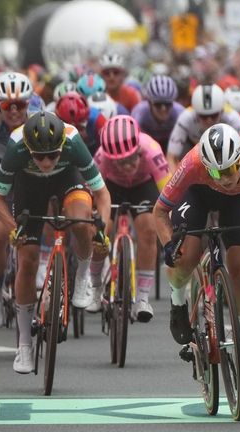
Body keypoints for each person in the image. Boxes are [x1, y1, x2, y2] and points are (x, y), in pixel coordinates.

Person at [153, 123, 240, 390]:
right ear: (205, 164)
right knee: (185, 257)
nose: (224, 178)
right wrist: (168, 245)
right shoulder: (192, 163)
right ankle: (178, 302)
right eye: (215, 171)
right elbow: (159, 212)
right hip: (197, 196)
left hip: (239, 200)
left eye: (230, 170)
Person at [0, 111, 111, 373]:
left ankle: (82, 278)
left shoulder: (73, 141)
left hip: (67, 179)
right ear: (29, 150)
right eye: (39, 156)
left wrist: (101, 229)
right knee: (28, 258)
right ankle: (24, 345)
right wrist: (13, 229)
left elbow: (102, 194)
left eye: (52, 155)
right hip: (28, 186)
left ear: (61, 148)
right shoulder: (16, 146)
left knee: (81, 224)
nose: (46, 161)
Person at [0, 71, 43, 329]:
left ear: (29, 103)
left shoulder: (38, 114)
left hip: (27, 164)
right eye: (7, 106)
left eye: (20, 105)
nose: (13, 111)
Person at [88, 115, 170, 318]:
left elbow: (169, 193)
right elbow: (92, 196)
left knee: (149, 230)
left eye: (131, 158)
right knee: (100, 231)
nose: (126, 166)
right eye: (120, 162)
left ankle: (142, 298)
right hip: (111, 187)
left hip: (143, 185)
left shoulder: (151, 149)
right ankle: (96, 286)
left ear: (138, 149)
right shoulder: (101, 157)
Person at [166, 84, 240, 172]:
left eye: (214, 115)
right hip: (193, 148)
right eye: (203, 116)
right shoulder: (186, 117)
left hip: (222, 152)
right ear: (195, 112)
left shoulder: (233, 119)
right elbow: (172, 157)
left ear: (221, 111)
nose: (209, 121)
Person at [130, 74, 185, 153]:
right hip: (147, 145)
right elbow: (135, 143)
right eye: (158, 104)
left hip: (172, 145)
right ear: (149, 103)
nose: (163, 108)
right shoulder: (139, 113)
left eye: (168, 104)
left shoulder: (180, 113)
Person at [55, 91, 107, 155]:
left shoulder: (97, 119)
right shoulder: (53, 122)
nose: (76, 131)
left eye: (79, 126)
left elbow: (106, 146)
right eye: (69, 126)